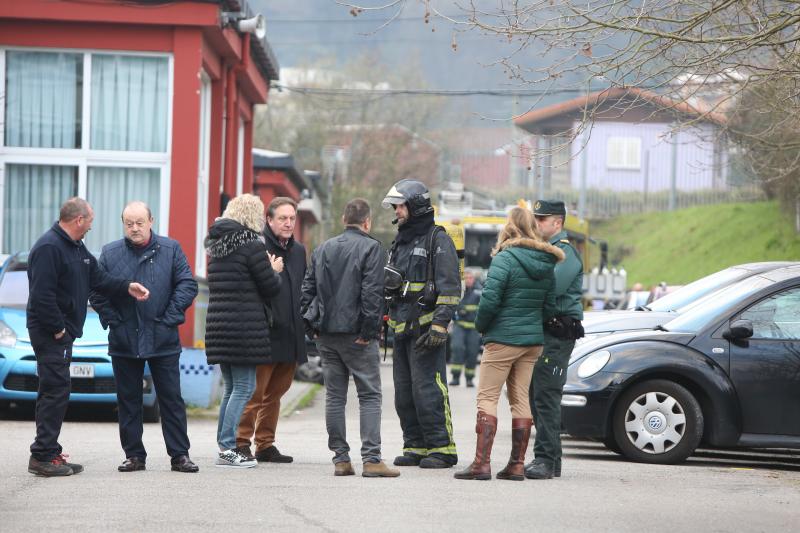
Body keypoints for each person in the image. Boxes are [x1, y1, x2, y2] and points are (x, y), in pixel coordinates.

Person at [26, 197, 150, 477]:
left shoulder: (76, 247)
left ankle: (50, 451)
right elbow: (41, 295)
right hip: (50, 334)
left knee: (57, 390)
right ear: (79, 220)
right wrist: (58, 329)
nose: (92, 225)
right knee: (54, 390)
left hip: (62, 334)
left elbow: (99, 279)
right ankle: (42, 455)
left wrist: (127, 286)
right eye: (90, 220)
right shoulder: (49, 247)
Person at [90, 201, 199, 473]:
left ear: (151, 221)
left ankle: (180, 455)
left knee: (171, 398)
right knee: (128, 399)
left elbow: (187, 284)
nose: (135, 228)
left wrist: (170, 318)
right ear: (123, 224)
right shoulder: (110, 253)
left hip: (163, 337)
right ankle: (134, 455)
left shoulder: (171, 249)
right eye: (129, 224)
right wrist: (115, 322)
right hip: (124, 339)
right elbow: (97, 291)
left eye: (140, 222)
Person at [455, 206, 563, 481]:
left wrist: (481, 326)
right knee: (520, 399)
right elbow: (550, 307)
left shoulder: (505, 258)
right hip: (532, 342)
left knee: (487, 397)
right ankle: (516, 465)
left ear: (510, 227)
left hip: (503, 339)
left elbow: (489, 300)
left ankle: (481, 464)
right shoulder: (547, 261)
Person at [301, 199, 400, 478]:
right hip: (357, 335)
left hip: (327, 334)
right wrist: (370, 332)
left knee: (335, 397)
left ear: (344, 218)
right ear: (367, 222)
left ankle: (341, 460)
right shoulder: (371, 248)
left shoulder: (322, 249)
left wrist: (312, 327)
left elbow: (306, 291)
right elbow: (372, 293)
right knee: (369, 396)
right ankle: (371, 459)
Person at [382, 179, 461, 469]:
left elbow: (451, 287)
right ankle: (415, 445)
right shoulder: (401, 241)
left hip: (427, 331)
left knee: (429, 390)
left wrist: (440, 325)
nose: (396, 210)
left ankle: (442, 447)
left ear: (415, 206)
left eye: (400, 205)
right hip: (402, 330)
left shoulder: (437, 239)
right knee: (404, 393)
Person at [204, 194, 283, 468]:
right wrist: (274, 270)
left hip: (219, 326)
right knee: (245, 387)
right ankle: (228, 447)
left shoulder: (216, 246)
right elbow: (270, 288)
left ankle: (224, 445)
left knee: (231, 388)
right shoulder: (251, 246)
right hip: (242, 327)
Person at [236, 197, 307, 463]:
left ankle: (265, 444)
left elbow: (303, 288)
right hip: (263, 334)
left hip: (290, 334)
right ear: (269, 220)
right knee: (254, 394)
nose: (288, 223)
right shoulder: (257, 247)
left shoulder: (299, 251)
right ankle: (241, 442)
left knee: (276, 394)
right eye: (282, 218)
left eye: (292, 218)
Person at [525, 200, 584, 480]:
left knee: (546, 395)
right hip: (544, 332)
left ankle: (546, 460)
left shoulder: (565, 253)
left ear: (557, 223)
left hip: (557, 333)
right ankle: (550, 459)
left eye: (541, 219)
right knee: (537, 395)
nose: (536, 224)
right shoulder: (548, 252)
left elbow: (549, 287)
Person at [449, 269, 482, 387]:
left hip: (473, 328)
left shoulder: (480, 291)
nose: (468, 280)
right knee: (457, 349)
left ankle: (469, 379)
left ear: (474, 279)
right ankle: (455, 377)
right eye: (466, 278)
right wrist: (459, 309)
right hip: (460, 326)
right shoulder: (459, 290)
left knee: (472, 353)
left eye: (470, 278)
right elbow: (451, 303)